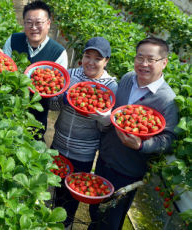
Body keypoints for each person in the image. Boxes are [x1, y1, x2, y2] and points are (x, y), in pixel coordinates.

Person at [88, 37, 179, 230]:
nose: (143, 64)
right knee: (95, 210)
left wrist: (141, 145)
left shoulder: (167, 99)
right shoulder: (128, 79)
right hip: (105, 158)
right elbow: (117, 114)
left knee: (111, 220)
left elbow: (168, 139)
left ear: (164, 62)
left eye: (150, 60)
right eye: (139, 57)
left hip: (127, 171)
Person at [48, 37, 117, 229]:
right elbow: (53, 106)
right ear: (82, 57)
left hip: (83, 153)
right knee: (56, 186)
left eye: (97, 58)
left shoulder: (110, 87)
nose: (91, 62)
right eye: (88, 56)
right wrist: (60, 97)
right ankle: (53, 218)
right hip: (59, 144)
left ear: (106, 61)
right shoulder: (70, 75)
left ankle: (65, 224)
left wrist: (102, 118)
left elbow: (105, 128)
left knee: (72, 195)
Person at [2, 0, 68, 136]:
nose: (33, 27)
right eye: (29, 22)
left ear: (48, 24)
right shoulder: (13, 40)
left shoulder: (59, 52)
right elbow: (4, 70)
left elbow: (56, 87)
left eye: (38, 23)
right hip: (8, 108)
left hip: (37, 116)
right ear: (23, 23)